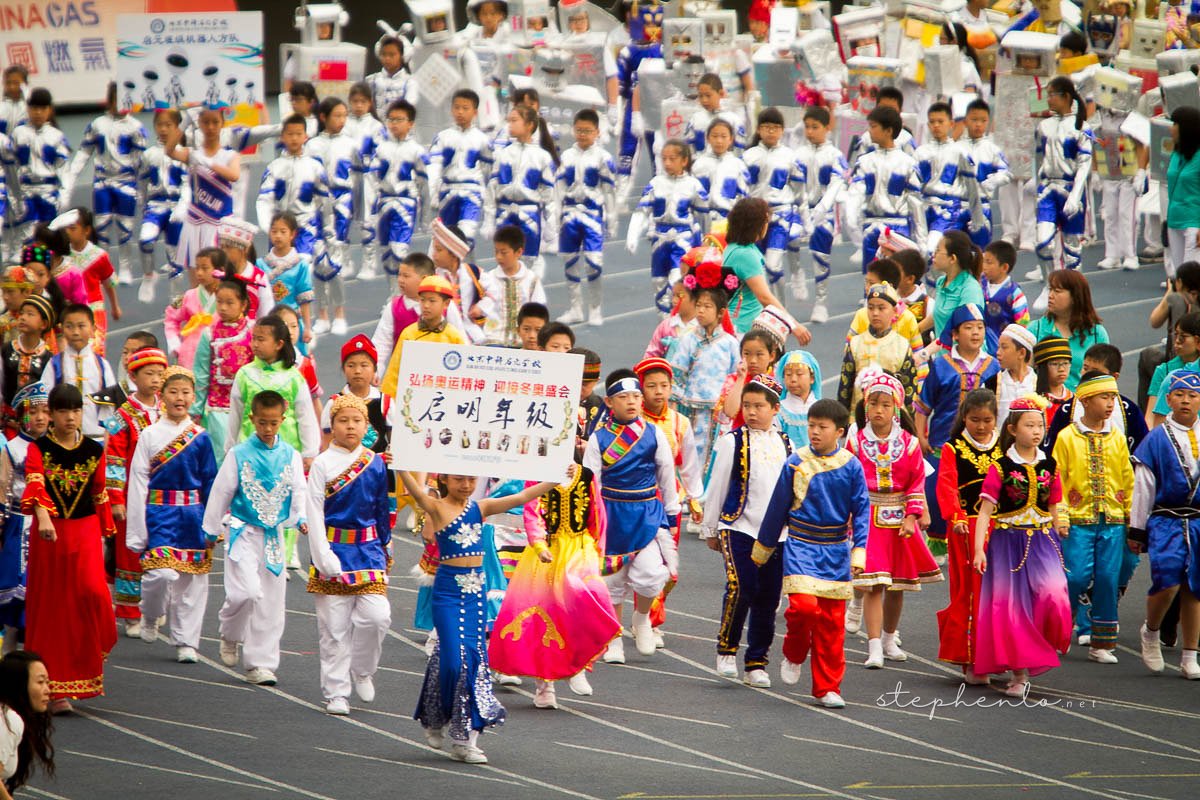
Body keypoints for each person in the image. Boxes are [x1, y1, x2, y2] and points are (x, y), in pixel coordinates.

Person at [399, 468, 559, 764]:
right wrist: (400, 466)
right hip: (447, 592)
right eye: (459, 479)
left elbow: (523, 496)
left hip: (476, 592)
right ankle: (437, 716)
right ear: (445, 480)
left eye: (471, 480)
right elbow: (418, 494)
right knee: (450, 661)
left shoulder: (480, 507)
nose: (467, 485)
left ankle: (464, 739)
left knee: (472, 662)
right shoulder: (437, 507)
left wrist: (555, 477)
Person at [753, 398, 869, 708]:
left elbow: (861, 511)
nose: (815, 432)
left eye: (822, 427)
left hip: (835, 550)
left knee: (832, 623)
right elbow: (777, 508)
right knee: (803, 608)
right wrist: (762, 550)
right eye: (811, 426)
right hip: (801, 545)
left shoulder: (851, 466)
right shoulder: (795, 462)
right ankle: (794, 650)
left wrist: (859, 551)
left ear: (839, 432)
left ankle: (827, 687)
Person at [21, 384, 115, 713]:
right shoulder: (40, 448)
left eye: (76, 411)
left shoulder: (94, 449)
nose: (71, 417)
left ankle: (92, 656)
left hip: (85, 530)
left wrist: (110, 526)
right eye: (63, 411)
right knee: (52, 608)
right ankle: (55, 688)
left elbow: (101, 491)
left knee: (93, 593)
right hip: (50, 534)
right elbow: (35, 483)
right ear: (52, 414)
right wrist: (44, 519)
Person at [206, 390, 308, 686]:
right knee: (245, 593)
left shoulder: (291, 455)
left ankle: (260, 663)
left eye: (273, 423)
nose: (267, 429)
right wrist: (212, 529)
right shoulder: (239, 454)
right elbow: (221, 491)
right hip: (243, 532)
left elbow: (298, 490)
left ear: (282, 420)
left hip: (273, 536)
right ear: (252, 419)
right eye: (262, 422)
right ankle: (230, 632)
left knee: (271, 603)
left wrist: (300, 517)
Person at [973, 395, 1072, 696]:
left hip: (1043, 541)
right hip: (1007, 544)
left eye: (1040, 425)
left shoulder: (1049, 464)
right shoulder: (1001, 467)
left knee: (1054, 594)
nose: (1037, 431)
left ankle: (1046, 643)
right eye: (1029, 425)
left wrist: (1060, 525)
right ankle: (1019, 673)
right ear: (1013, 429)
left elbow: (1055, 503)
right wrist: (979, 549)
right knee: (1011, 609)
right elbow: (985, 512)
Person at [584, 370, 680, 663]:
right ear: (610, 402)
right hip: (612, 515)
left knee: (652, 576)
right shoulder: (598, 439)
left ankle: (641, 619)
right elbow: (592, 483)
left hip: (647, 513)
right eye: (623, 397)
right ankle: (613, 639)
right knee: (612, 583)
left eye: (636, 396)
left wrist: (673, 512)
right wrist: (591, 520)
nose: (632, 402)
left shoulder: (653, 434)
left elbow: (666, 474)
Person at [124, 367, 219, 663]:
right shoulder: (150, 434)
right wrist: (138, 529)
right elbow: (139, 481)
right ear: (162, 395)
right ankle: (151, 613)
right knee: (161, 574)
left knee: (192, 582)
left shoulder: (200, 437)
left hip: (192, 513)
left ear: (194, 396)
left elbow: (211, 482)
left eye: (185, 392)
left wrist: (214, 523)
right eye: (173, 392)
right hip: (160, 512)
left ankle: (187, 641)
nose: (179, 398)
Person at [305, 394, 392, 716]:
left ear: (366, 425)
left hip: (368, 550)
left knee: (377, 616)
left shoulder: (375, 462)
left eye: (357, 420)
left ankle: (363, 668)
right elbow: (313, 511)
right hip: (334, 548)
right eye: (344, 420)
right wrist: (322, 554)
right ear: (333, 425)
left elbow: (382, 507)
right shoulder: (323, 464)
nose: (350, 426)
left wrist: (385, 546)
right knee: (334, 628)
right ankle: (336, 692)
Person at [702, 374, 790, 687]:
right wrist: (711, 527)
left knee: (769, 597)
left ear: (775, 409)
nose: (752, 412)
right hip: (737, 525)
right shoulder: (732, 442)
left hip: (776, 534)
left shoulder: (785, 444)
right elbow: (717, 486)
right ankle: (726, 650)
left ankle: (756, 661)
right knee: (741, 587)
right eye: (747, 405)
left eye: (760, 406)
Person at [849, 372, 942, 668]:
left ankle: (889, 638)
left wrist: (912, 516)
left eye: (885, 405)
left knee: (897, 585)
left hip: (900, 520)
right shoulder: (857, 442)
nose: (878, 410)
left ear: (896, 408)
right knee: (875, 583)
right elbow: (850, 480)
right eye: (873, 403)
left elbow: (916, 482)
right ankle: (874, 644)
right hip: (868, 519)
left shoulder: (910, 444)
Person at [1052, 372, 1133, 662]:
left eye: (1113, 397)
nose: (1111, 403)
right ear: (1085, 400)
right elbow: (1057, 480)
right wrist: (1060, 515)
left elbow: (1127, 477)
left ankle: (1102, 643)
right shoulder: (1067, 438)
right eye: (1104, 397)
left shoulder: (1117, 438)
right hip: (1077, 521)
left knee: (1108, 579)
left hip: (1111, 521)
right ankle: (1058, 629)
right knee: (1075, 577)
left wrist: (1129, 518)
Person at [1130, 369, 1200, 679]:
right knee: (1168, 581)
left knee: (1194, 588)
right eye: (1180, 395)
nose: (1186, 401)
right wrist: (1137, 529)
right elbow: (1143, 486)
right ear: (1168, 398)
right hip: (1166, 519)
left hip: (1197, 520)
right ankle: (1152, 629)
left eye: (1193, 395)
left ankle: (1190, 654)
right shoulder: (1156, 439)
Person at [935, 388, 1002, 682]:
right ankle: (972, 660)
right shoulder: (953, 448)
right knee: (971, 592)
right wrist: (956, 516)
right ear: (964, 417)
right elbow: (947, 485)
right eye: (975, 420)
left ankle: (1000, 656)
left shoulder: (1005, 446)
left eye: (987, 420)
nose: (982, 426)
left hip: (1002, 530)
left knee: (1002, 594)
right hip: (967, 529)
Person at [103, 346, 167, 637]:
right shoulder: (123, 416)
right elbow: (114, 459)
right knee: (130, 553)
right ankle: (129, 612)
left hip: (164, 496)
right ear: (134, 376)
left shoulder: (168, 410)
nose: (155, 379)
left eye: (159, 374)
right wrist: (115, 498)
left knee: (161, 552)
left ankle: (155, 606)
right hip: (132, 496)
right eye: (149, 373)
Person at [63, 82, 148, 286]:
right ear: (108, 101)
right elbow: (84, 151)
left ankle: (125, 267)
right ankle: (105, 268)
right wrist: (72, 175)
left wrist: (144, 191)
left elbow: (141, 162)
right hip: (102, 181)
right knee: (101, 227)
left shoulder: (136, 128)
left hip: (126, 183)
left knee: (125, 229)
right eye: (116, 100)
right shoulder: (97, 124)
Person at [626, 139, 707, 315]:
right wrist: (632, 235)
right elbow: (642, 210)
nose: (667, 163)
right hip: (659, 240)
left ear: (684, 161)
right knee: (659, 284)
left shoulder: (694, 185)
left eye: (672, 159)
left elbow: (703, 216)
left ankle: (679, 322)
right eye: (664, 159)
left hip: (683, 240)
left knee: (676, 282)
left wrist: (705, 243)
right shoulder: (655, 183)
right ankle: (664, 327)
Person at [1032, 76, 1092, 306]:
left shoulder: (1081, 128)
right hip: (1047, 190)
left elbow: (1084, 164)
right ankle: (1050, 285)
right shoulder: (1043, 126)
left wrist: (1076, 195)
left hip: (1069, 189)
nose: (1048, 99)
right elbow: (1038, 159)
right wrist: (1035, 184)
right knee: (1042, 242)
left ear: (1066, 97)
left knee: (1072, 245)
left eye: (1052, 95)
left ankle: (1075, 292)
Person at [555, 109, 617, 327]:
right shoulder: (566, 157)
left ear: (597, 132)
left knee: (593, 264)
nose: (582, 135)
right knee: (570, 262)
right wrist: (556, 218)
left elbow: (609, 191)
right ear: (573, 130)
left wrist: (611, 218)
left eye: (587, 131)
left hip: (592, 215)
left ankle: (595, 308)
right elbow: (559, 189)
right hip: (569, 215)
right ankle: (575, 308)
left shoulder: (603, 157)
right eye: (579, 130)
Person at [668, 283, 739, 468]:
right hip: (688, 409)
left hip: (717, 414)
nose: (701, 311)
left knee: (712, 460)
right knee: (686, 457)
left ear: (721, 312)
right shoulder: (687, 339)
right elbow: (676, 376)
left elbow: (734, 378)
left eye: (707, 306)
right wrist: (673, 410)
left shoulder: (730, 344)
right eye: (698, 305)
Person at [165, 105, 241, 278]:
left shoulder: (230, 156)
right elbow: (169, 150)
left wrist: (207, 162)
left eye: (215, 122)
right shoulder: (192, 154)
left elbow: (234, 175)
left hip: (219, 224)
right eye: (206, 122)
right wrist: (184, 123)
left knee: (219, 279)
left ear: (223, 123)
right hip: (195, 223)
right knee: (197, 280)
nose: (211, 127)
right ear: (199, 123)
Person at [848, 105, 926, 273]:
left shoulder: (908, 163)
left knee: (898, 279)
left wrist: (922, 241)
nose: (869, 131)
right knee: (872, 282)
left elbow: (916, 205)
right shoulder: (864, 162)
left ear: (888, 130)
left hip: (897, 229)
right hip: (871, 228)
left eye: (873, 126)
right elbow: (855, 193)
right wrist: (852, 220)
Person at [306, 97, 361, 335]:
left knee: (335, 259)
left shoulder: (351, 145)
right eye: (336, 115)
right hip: (317, 207)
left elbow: (359, 181)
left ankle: (339, 312)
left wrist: (359, 211)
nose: (341, 120)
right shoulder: (312, 145)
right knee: (319, 260)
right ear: (323, 117)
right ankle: (322, 313)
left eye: (344, 116)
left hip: (342, 204)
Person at [0, 384, 48, 655]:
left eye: (45, 411)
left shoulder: (52, 447)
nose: (40, 418)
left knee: (41, 597)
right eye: (33, 412)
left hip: (47, 525)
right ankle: (8, 658)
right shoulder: (11, 449)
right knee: (16, 598)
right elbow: (2, 487)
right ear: (19, 417)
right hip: (18, 525)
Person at [721, 198, 810, 343]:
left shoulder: (736, 247)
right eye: (766, 222)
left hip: (739, 326)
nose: (767, 226)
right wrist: (793, 325)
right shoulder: (745, 255)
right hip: (741, 330)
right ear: (756, 225)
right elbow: (765, 297)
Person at [486, 106, 558, 281]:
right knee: (503, 259)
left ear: (529, 125)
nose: (509, 125)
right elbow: (492, 188)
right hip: (504, 214)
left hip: (530, 215)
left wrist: (551, 225)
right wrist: (488, 219)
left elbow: (549, 193)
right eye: (508, 121)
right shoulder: (503, 154)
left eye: (514, 120)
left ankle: (528, 301)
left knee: (528, 261)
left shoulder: (542, 157)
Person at [794, 107, 847, 321]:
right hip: (799, 209)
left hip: (823, 212)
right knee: (785, 240)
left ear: (827, 128)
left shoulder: (835, 156)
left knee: (820, 254)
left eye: (815, 127)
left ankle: (820, 302)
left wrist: (821, 209)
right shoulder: (797, 154)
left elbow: (836, 184)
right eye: (807, 127)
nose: (810, 132)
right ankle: (796, 271)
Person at [190, 279, 254, 459]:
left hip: (249, 409)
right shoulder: (209, 334)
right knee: (221, 458)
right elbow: (201, 374)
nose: (223, 307)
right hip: (218, 410)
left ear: (243, 304)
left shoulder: (255, 331)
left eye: (229, 302)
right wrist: (195, 411)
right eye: (219, 302)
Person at [380, 275, 468, 398]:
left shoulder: (453, 336)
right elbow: (395, 372)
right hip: (412, 399)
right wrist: (390, 401)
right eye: (422, 300)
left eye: (432, 301)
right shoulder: (409, 334)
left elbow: (464, 375)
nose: (426, 305)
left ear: (446, 303)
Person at [38, 304, 117, 443]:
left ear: (93, 329)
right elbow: (44, 398)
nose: (75, 332)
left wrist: (107, 434)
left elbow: (111, 403)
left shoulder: (102, 365)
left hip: (96, 436)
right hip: (62, 438)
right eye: (69, 326)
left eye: (81, 326)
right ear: (62, 329)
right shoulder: (54, 364)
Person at [255, 114, 327, 262]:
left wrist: (326, 231)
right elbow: (264, 199)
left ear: (305, 136)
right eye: (290, 134)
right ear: (282, 137)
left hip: (306, 224)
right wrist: (269, 227)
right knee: (279, 268)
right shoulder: (274, 167)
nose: (294, 138)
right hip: (280, 227)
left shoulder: (315, 167)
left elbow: (324, 202)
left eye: (298, 134)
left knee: (304, 264)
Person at [427, 90, 494, 247]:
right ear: (451, 109)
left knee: (466, 236)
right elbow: (434, 167)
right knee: (445, 239)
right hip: (447, 192)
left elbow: (489, 173)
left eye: (465, 108)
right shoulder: (443, 137)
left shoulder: (482, 140)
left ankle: (466, 270)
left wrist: (487, 198)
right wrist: (432, 193)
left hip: (472, 193)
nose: (460, 112)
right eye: (456, 107)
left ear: (475, 112)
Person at [836, 282, 917, 411]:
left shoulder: (902, 346)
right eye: (871, 307)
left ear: (895, 311)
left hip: (892, 421)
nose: (875, 313)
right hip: (859, 419)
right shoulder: (855, 344)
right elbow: (845, 388)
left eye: (881, 308)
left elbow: (909, 390)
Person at [371, 100, 428, 278]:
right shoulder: (380, 149)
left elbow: (424, 184)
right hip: (384, 204)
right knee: (386, 253)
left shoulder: (416, 150)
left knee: (399, 250)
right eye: (391, 119)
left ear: (410, 123)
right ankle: (393, 295)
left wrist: (425, 215)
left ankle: (403, 293)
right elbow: (372, 181)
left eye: (399, 119)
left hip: (405, 204)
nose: (394, 123)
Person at [1027, 268, 1108, 390]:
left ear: (1075, 297)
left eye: (1057, 291)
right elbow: (1025, 374)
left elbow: (1104, 377)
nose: (1050, 296)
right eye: (1050, 290)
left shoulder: (1097, 334)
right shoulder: (1035, 329)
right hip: (1045, 402)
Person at [54, 208, 121, 354]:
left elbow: (108, 283)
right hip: (69, 309)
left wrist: (115, 307)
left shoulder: (99, 256)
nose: (68, 232)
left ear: (86, 230)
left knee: (94, 348)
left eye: (73, 228)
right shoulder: (62, 255)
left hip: (93, 309)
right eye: (66, 229)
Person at [9, 89, 70, 249]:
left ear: (49, 110)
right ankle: (26, 270)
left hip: (49, 192)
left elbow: (64, 169)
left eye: (42, 109)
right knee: (25, 235)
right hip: (25, 191)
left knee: (50, 234)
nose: (38, 112)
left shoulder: (56, 136)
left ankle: (49, 270)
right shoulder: (18, 134)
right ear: (28, 109)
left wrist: (64, 194)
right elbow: (10, 166)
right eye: (34, 108)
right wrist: (13, 193)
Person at [137, 108, 187, 302]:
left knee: (176, 259)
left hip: (177, 209)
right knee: (145, 240)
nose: (164, 129)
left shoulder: (183, 154)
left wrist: (183, 207)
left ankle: (176, 300)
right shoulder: (149, 155)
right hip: (155, 207)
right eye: (160, 125)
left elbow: (188, 184)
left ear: (177, 127)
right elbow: (141, 182)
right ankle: (149, 275)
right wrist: (143, 205)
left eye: (169, 125)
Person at [476, 226, 547, 347]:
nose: (498, 257)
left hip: (523, 343)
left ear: (519, 252)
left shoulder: (531, 280)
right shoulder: (488, 278)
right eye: (496, 251)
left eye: (503, 253)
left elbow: (539, 313)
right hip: (493, 339)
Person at [258, 212, 314, 353]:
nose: (278, 236)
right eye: (274, 231)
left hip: (292, 324)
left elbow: (304, 299)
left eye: (283, 232)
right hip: (268, 323)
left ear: (292, 234)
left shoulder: (300, 265)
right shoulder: (260, 264)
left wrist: (307, 327)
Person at [0, 651, 54, 796]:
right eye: (40, 682)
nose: (47, 690)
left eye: (47, 682)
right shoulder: (8, 720)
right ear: (19, 685)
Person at [962, 99, 1012, 248]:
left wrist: (992, 181)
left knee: (980, 250)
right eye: (974, 120)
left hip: (982, 205)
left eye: (983, 120)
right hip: (959, 205)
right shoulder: (956, 148)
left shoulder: (992, 149)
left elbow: (1007, 173)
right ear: (965, 121)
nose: (978, 124)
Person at [163, 247, 223, 369]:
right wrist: (175, 344)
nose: (199, 273)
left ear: (220, 270)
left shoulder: (228, 297)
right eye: (197, 268)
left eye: (205, 268)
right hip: (191, 357)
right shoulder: (189, 296)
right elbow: (171, 318)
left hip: (219, 355)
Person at [0, 296, 51, 437]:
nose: (22, 317)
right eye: (21, 313)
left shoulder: (48, 358)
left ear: (44, 324)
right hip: (7, 423)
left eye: (30, 314)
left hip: (36, 425)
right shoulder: (6, 350)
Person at [925, 231, 985, 347]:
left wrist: (928, 351)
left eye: (938, 250)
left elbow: (968, 331)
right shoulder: (941, 282)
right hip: (943, 358)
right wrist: (914, 330)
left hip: (965, 359)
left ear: (952, 258)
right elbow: (940, 314)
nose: (934, 254)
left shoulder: (970, 289)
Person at [1147, 311, 1200, 427]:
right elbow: (1156, 425)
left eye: (1183, 337)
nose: (1177, 342)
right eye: (1176, 335)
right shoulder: (1171, 377)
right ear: (1198, 342)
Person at [1166, 107, 1200, 278]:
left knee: (1190, 277)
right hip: (1174, 220)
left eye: (1175, 124)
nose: (1171, 128)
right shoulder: (1176, 154)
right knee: (1178, 277)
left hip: (1193, 222)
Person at [979, 240, 1029, 355]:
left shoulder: (1015, 294)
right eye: (983, 262)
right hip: (978, 348)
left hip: (1002, 352)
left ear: (1004, 267)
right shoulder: (978, 285)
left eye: (989, 262)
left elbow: (1022, 325)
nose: (984, 266)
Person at [985, 323, 1037, 423]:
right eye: (998, 347)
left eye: (1004, 347)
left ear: (1021, 353)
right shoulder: (991, 384)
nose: (998, 352)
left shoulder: (1040, 385)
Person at [775, 350, 820, 447]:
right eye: (788, 374)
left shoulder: (822, 410)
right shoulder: (779, 411)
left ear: (812, 378)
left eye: (799, 374)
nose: (793, 379)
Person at [1034, 336, 1075, 427]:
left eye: (1065, 363)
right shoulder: (1033, 400)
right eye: (1054, 364)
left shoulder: (1075, 400)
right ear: (1042, 367)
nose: (1061, 369)